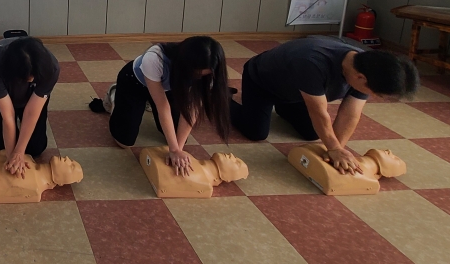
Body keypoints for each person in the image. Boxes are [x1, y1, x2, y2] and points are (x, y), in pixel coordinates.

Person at [233, 37, 419, 174]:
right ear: (360, 78)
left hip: (296, 93)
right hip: (262, 82)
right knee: (256, 132)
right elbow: (319, 113)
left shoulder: (368, 69)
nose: (374, 96)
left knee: (313, 133)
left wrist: (336, 152)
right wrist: (334, 149)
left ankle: (283, 107)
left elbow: (350, 113)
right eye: (377, 94)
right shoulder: (312, 62)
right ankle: (220, 100)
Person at [98, 36, 231, 176]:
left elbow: (191, 110)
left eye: (203, 75)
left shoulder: (210, 71)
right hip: (135, 83)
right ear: (185, 63)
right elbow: (163, 107)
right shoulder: (155, 58)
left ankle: (147, 103)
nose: (199, 77)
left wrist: (177, 149)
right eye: (196, 74)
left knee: (180, 139)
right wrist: (173, 151)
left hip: (169, 89)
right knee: (124, 142)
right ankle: (115, 94)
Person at [0, 36, 60, 177]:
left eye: (33, 77)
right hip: (6, 94)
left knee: (36, 148)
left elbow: (32, 112)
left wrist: (19, 152)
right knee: (1, 145)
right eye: (27, 77)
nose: (30, 80)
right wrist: (11, 157)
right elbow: (7, 116)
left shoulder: (51, 67)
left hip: (32, 97)